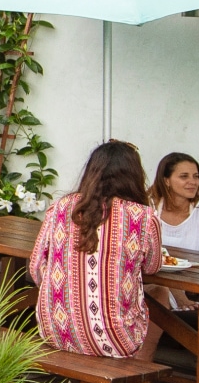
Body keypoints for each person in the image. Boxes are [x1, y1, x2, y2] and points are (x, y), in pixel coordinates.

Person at [29, 141, 162, 363]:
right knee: (158, 295)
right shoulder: (144, 217)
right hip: (117, 339)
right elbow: (152, 266)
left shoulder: (59, 208)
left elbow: (36, 268)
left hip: (56, 332)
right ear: (135, 175)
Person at [151, 152, 199, 253]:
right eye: (184, 176)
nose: (193, 182)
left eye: (196, 176)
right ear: (166, 181)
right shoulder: (148, 208)